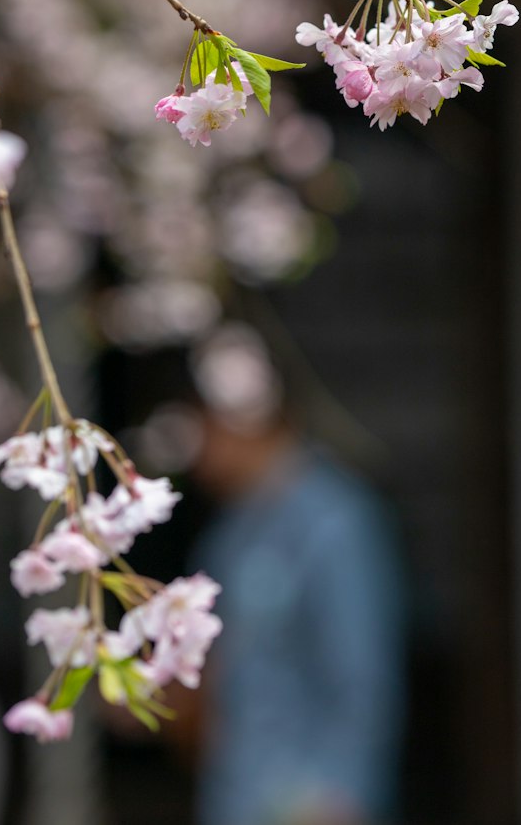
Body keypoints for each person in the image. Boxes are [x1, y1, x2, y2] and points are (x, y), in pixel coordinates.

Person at [186, 326, 407, 825]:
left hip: (308, 803)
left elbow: (362, 678)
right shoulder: (229, 532)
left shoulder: (334, 521)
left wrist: (339, 794)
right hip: (238, 793)